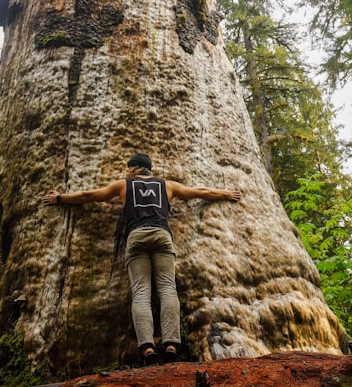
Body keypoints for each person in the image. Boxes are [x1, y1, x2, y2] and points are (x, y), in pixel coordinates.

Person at [41, 152, 241, 365]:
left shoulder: (123, 185)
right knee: (167, 289)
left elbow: (89, 196)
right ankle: (171, 344)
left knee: (141, 292)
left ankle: (147, 348)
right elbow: (200, 192)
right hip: (161, 235)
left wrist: (60, 198)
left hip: (136, 237)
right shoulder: (167, 185)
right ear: (149, 169)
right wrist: (225, 193)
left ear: (132, 169)